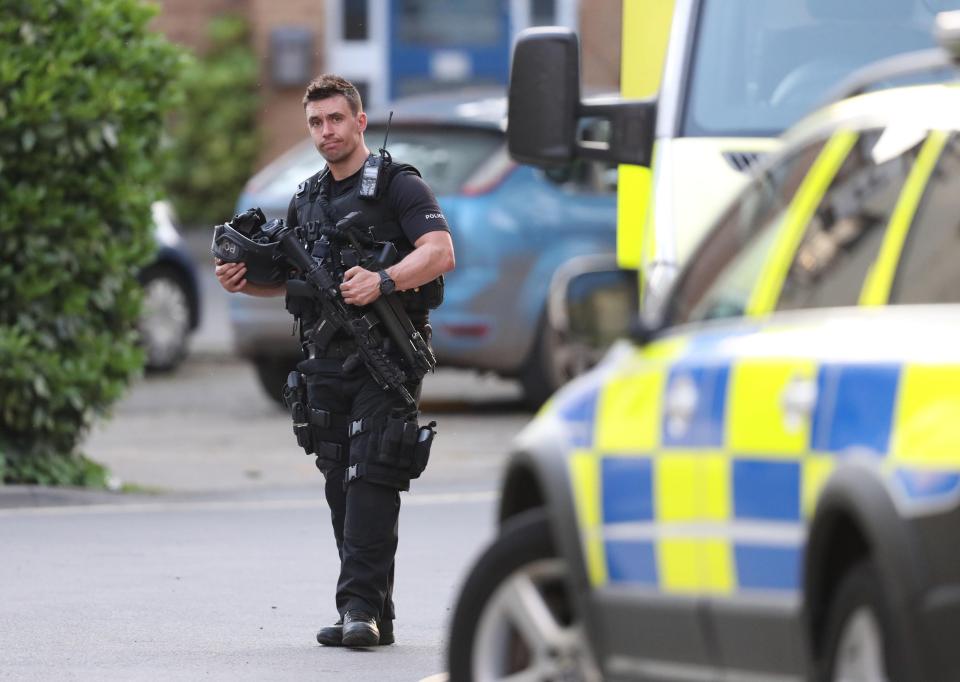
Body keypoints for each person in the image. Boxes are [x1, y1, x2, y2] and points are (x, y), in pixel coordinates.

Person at [214, 74, 455, 648]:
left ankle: (357, 607)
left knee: (372, 473)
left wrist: (384, 279)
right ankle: (373, 612)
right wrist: (246, 282)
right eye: (316, 123)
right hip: (325, 361)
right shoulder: (307, 198)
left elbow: (440, 252)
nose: (327, 131)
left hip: (387, 357)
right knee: (340, 485)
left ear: (360, 121)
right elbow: (297, 279)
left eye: (336, 119)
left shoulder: (399, 185)